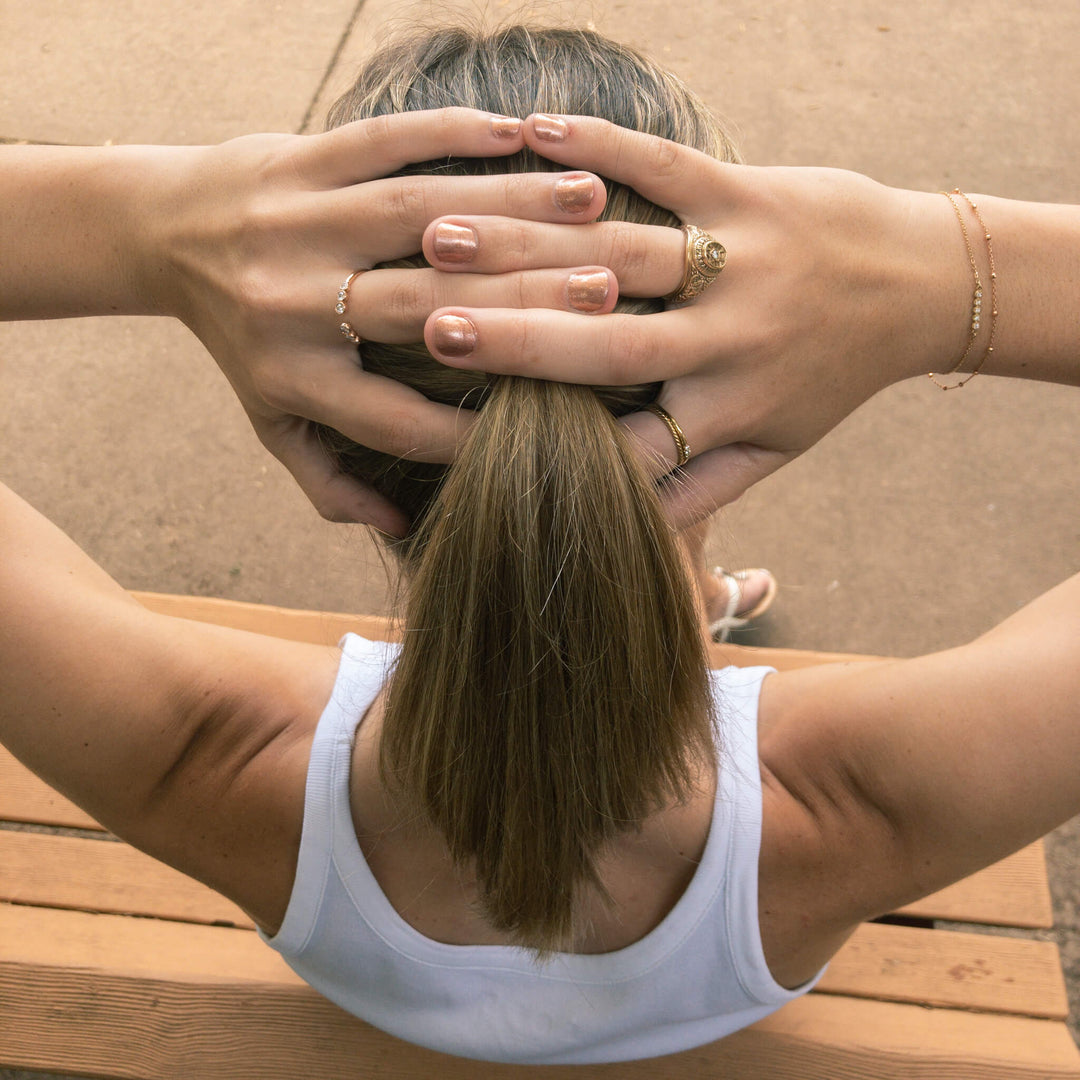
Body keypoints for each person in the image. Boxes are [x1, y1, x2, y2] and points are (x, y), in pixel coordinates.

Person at [0, 22, 1077, 1067]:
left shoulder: (206, 762)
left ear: (338, 434)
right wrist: (942, 271)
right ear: (754, 375)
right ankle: (692, 599)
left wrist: (153, 226)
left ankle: (687, 596)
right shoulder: (859, 805)